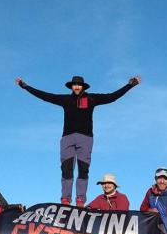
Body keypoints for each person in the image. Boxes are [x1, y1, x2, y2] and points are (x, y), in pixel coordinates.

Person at [15, 75, 141, 207]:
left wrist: (130, 85)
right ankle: (65, 199)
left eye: (79, 85)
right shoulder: (66, 100)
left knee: (83, 169)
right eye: (74, 85)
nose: (76, 87)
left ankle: (80, 200)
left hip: (85, 138)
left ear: (83, 86)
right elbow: (45, 96)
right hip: (67, 138)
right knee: (66, 169)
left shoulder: (91, 99)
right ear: (71, 86)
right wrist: (25, 86)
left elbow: (112, 97)